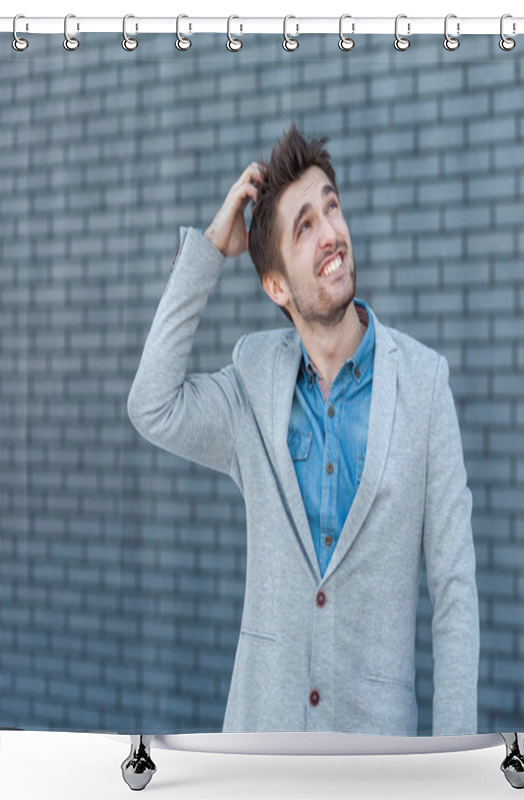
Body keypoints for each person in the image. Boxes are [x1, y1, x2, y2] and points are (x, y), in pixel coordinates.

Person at [127, 123, 479, 736]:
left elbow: (454, 592)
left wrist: (450, 764)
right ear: (276, 286)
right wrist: (211, 247)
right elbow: (151, 403)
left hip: (377, 755)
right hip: (260, 745)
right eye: (304, 226)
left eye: (332, 208)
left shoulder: (424, 384)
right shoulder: (252, 385)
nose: (331, 234)